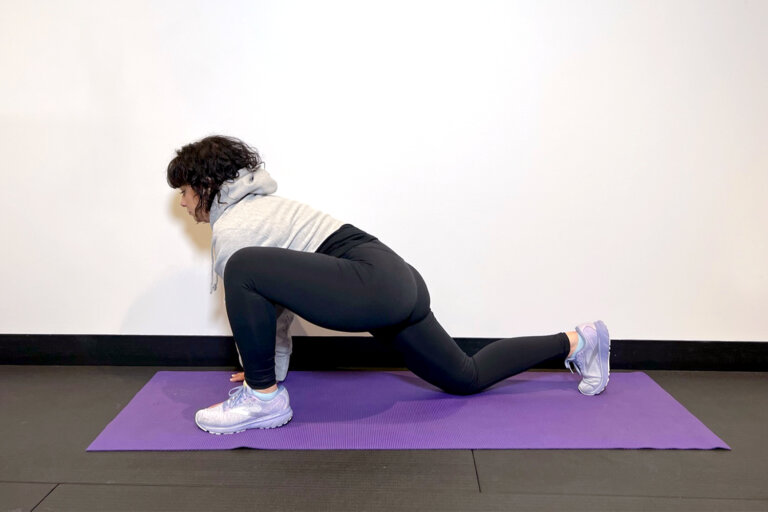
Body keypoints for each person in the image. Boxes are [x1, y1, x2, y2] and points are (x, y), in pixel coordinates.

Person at [167, 135, 611, 435]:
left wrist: (263, 380)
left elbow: (262, 296)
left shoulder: (237, 229)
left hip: (369, 282)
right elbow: (275, 300)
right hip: (397, 280)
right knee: (465, 376)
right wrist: (268, 366)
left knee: (243, 267)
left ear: (207, 185)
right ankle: (577, 341)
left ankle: (262, 401)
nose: (184, 203)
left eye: (185, 191)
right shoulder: (263, 208)